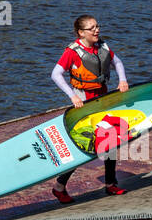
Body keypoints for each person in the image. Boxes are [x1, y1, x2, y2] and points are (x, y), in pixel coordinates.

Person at [50, 15, 129, 203]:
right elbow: (55, 74)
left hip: (102, 99)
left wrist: (123, 79)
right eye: (92, 28)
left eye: (97, 26)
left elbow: (117, 63)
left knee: (110, 139)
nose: (97, 30)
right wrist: (72, 95)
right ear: (81, 32)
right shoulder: (72, 52)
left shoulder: (103, 47)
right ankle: (60, 186)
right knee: (85, 144)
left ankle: (110, 184)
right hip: (83, 101)